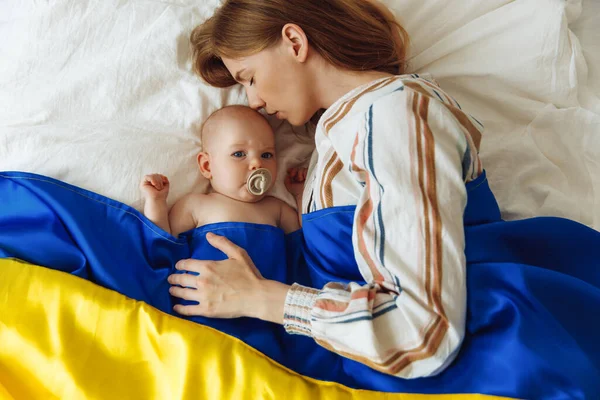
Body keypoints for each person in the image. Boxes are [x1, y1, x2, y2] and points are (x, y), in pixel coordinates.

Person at [165, 0, 600, 397]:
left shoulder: (396, 115)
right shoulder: (340, 136)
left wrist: (260, 298)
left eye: (251, 78)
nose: (255, 102)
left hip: (492, 365)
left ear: (294, 41)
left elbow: (422, 332)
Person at [139, 105, 299, 236]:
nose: (257, 163)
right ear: (207, 166)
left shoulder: (278, 210)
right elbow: (163, 248)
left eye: (266, 154)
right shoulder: (196, 205)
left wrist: (299, 195)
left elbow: (304, 252)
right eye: (239, 154)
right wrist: (157, 203)